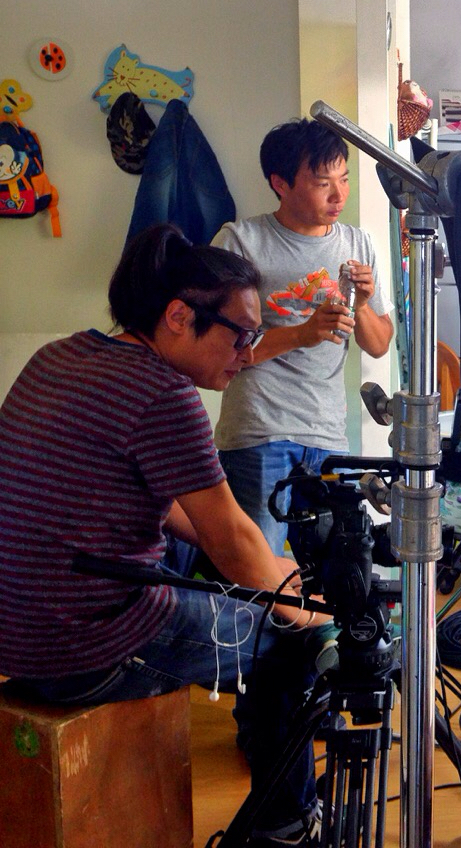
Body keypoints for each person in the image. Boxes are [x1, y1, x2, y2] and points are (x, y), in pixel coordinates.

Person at [0, 224, 328, 847]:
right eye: (241, 335)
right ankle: (287, 826)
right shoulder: (162, 393)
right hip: (79, 648)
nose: (247, 353)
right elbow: (233, 541)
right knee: (294, 641)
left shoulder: (60, 355)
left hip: (14, 630)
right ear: (179, 317)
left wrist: (266, 575)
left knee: (209, 560)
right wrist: (315, 612)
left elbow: (187, 515)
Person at [213, 118, 393, 555]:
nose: (339, 195)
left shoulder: (357, 245)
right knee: (259, 568)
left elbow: (378, 344)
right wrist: (301, 334)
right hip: (259, 433)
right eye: (322, 183)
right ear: (280, 183)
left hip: (327, 435)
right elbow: (219, 352)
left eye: (344, 179)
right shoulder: (241, 242)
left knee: (338, 569)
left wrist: (361, 304)